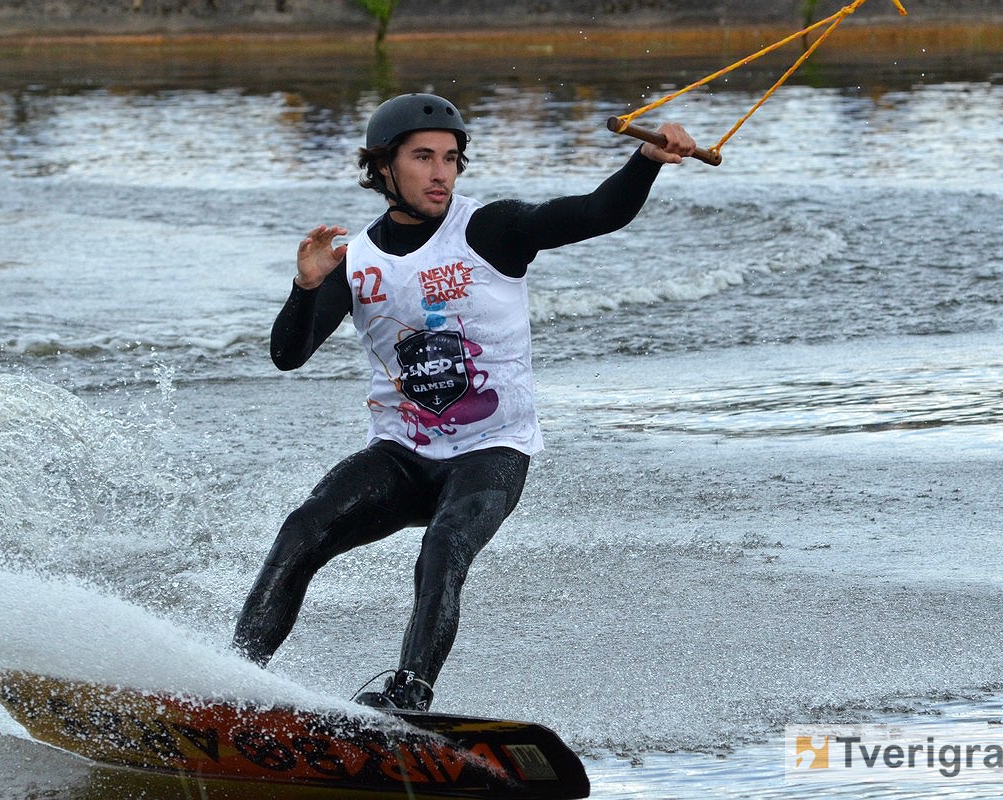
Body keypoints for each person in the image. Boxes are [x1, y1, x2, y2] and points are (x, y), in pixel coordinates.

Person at [232, 93, 696, 711]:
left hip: (491, 452)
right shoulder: (357, 260)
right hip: (401, 454)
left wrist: (646, 160)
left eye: (450, 158)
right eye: (423, 157)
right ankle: (228, 682)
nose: (440, 172)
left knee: (444, 546)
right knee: (302, 529)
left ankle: (410, 695)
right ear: (383, 168)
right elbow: (288, 356)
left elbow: (595, 213)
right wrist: (305, 287)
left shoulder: (489, 229)